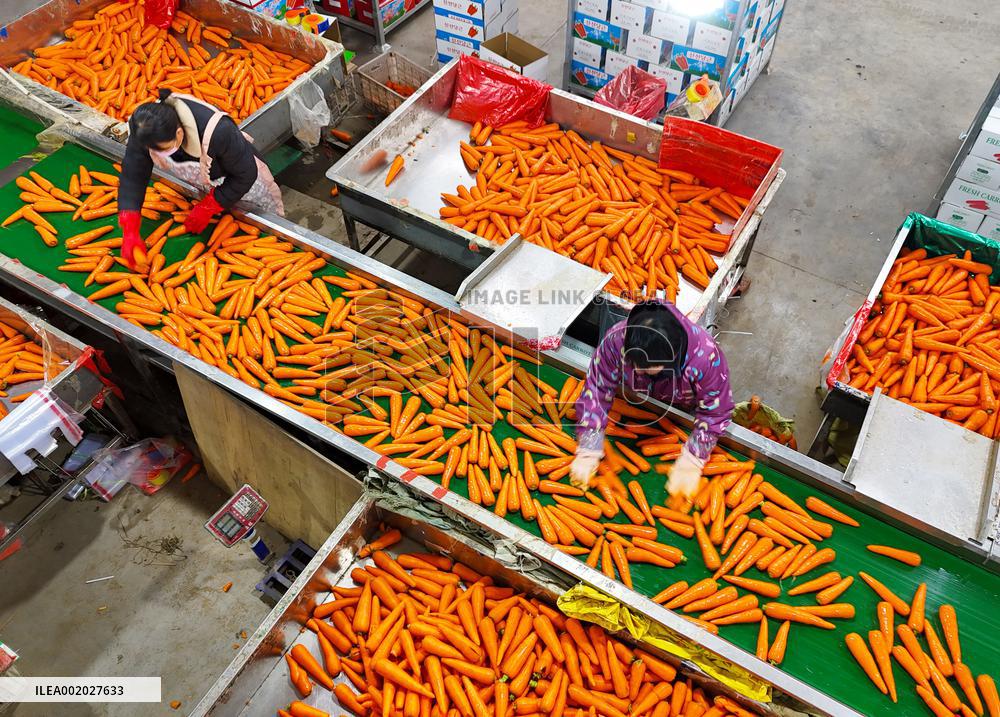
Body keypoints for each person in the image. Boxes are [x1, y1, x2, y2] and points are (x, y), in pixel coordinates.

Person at [571, 299, 734, 498]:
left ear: (672, 355)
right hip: (636, 398)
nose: (638, 370)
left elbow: (716, 411)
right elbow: (598, 386)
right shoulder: (617, 339)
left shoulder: (705, 358)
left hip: (682, 404)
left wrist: (694, 456)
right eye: (633, 362)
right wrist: (589, 441)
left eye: (647, 368)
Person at [117, 89, 284, 268]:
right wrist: (130, 226)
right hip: (205, 183)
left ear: (179, 134)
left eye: (163, 149)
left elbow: (245, 175)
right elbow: (134, 171)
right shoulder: (144, 126)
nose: (159, 155)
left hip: (244, 181)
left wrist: (211, 205)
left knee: (269, 232)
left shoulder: (219, 131)